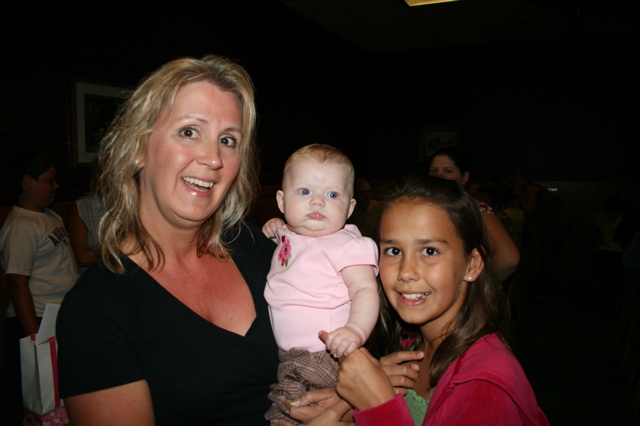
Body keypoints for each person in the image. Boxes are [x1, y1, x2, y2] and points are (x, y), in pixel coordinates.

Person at [56, 55, 279, 425]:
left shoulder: (251, 243)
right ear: (138, 147)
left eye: (228, 140)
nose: (213, 158)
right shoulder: (96, 309)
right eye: (189, 131)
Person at [334, 176, 549, 425]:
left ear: (472, 264)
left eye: (430, 251)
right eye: (394, 251)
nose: (406, 272)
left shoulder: (485, 385)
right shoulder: (411, 346)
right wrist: (346, 404)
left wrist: (379, 406)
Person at [262, 144, 379, 424]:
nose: (317, 202)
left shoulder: (346, 245)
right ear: (282, 201)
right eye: (304, 192)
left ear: (350, 207)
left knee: (287, 412)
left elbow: (365, 290)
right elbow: (292, 245)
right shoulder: (290, 234)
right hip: (291, 356)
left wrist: (355, 330)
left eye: (332, 194)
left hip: (324, 354)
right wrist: (276, 228)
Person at [0, 150, 79, 406]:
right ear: (28, 181)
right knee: (41, 399)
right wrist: (35, 339)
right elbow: (17, 283)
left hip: (58, 316)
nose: (56, 186)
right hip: (38, 319)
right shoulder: (22, 226)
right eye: (49, 181)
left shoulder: (48, 215)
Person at [429, 147, 519, 282]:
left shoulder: (476, 209)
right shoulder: (423, 208)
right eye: (434, 171)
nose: (439, 176)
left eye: (448, 171)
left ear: (464, 177)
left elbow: (509, 259)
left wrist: (476, 284)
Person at [66, 155, 106, 275]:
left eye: (111, 172)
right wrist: (120, 255)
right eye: (99, 171)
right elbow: (81, 258)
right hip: (95, 278)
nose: (103, 177)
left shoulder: (135, 205)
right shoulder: (81, 208)